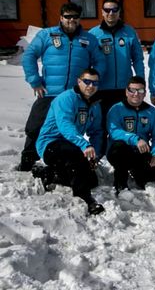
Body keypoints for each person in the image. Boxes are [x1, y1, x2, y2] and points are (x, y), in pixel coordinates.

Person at [19, 2, 105, 171]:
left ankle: (64, 162)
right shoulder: (47, 35)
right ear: (61, 17)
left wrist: (91, 82)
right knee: (36, 126)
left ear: (79, 18)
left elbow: (100, 62)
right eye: (67, 16)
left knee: (70, 128)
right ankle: (27, 161)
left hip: (75, 95)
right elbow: (29, 56)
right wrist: (35, 81)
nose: (71, 20)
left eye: (75, 17)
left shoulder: (89, 39)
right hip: (50, 92)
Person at [33, 67, 105, 215]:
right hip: (50, 144)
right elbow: (65, 126)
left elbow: (96, 132)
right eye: (87, 82)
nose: (91, 86)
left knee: (92, 180)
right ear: (79, 81)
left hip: (72, 146)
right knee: (75, 156)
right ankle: (85, 199)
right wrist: (84, 145)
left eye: (95, 83)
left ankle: (49, 173)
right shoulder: (66, 99)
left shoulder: (95, 104)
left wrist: (95, 155)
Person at [106, 76, 155, 194]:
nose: (136, 94)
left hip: (140, 152)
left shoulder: (151, 112)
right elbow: (114, 131)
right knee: (119, 148)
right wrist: (135, 139)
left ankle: (140, 175)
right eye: (132, 90)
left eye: (140, 90)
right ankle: (120, 183)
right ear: (126, 91)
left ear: (145, 93)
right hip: (120, 151)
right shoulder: (116, 109)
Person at [89, 0, 145, 132]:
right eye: (107, 10)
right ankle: (101, 146)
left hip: (124, 88)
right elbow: (87, 62)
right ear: (102, 12)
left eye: (114, 10)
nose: (111, 13)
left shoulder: (129, 32)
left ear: (119, 12)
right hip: (101, 88)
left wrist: (140, 79)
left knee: (126, 124)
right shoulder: (93, 34)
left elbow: (138, 58)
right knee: (100, 126)